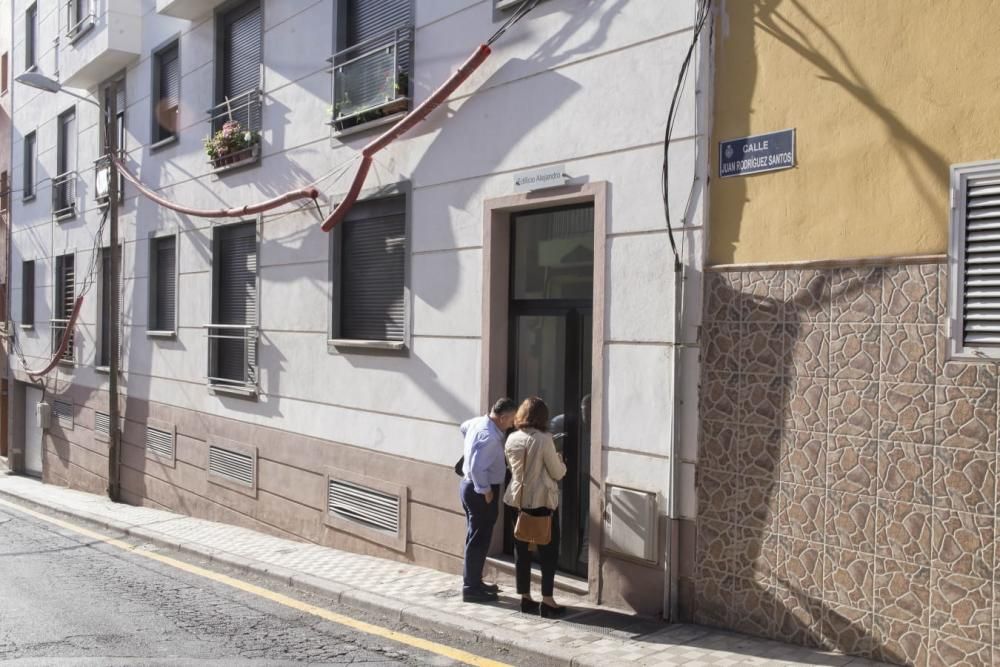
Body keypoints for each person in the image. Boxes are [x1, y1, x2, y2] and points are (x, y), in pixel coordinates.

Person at [503, 396, 567, 617]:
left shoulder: (511, 438)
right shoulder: (543, 439)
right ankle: (547, 601)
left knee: (521, 549)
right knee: (548, 549)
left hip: (516, 500)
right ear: (542, 416)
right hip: (540, 501)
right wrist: (561, 461)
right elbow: (557, 472)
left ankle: (525, 598)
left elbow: (512, 468)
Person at [459, 397, 518, 603]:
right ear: (502, 417)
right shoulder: (490, 437)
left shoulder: (477, 423)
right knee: (479, 539)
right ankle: (471, 588)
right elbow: (476, 467)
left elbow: (463, 428)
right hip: (480, 490)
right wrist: (485, 490)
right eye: (511, 420)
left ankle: (474, 581)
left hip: (468, 486)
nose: (512, 424)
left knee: (475, 537)